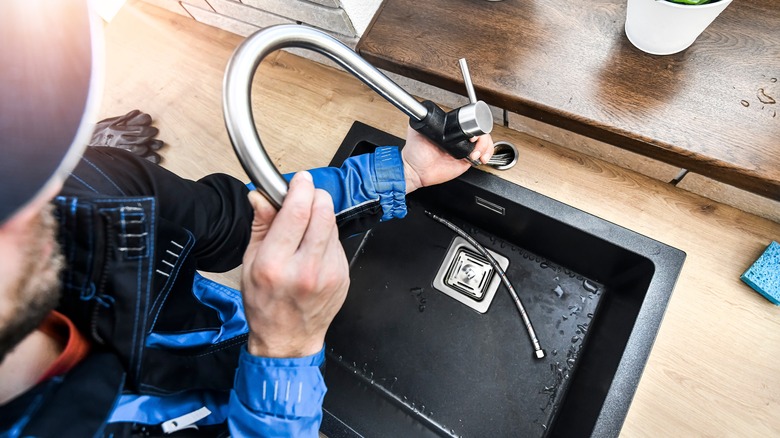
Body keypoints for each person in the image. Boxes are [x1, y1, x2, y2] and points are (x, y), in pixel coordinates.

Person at [0, 1, 494, 437]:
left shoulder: (85, 190)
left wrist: (400, 172)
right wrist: (283, 355)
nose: (43, 198)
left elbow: (232, 221)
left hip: (228, 340)